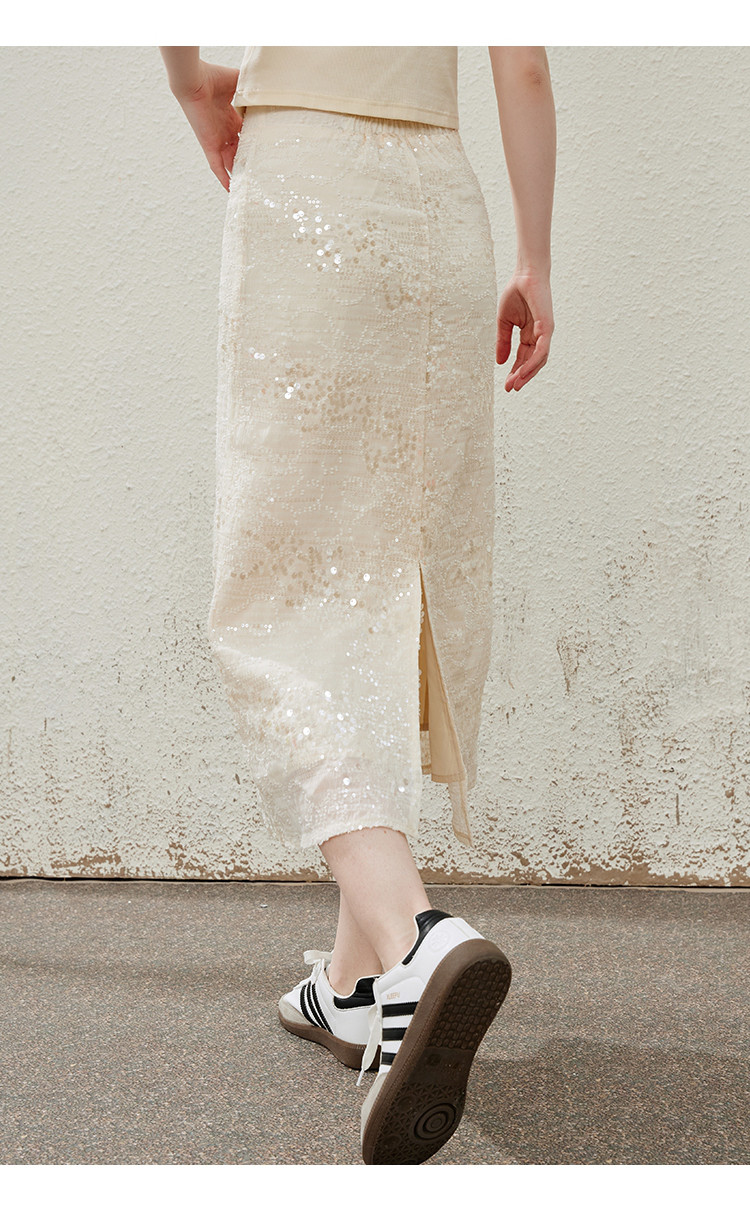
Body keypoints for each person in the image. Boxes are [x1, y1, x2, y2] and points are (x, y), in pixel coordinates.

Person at [159, 45, 555, 1165]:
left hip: (306, 181)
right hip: (442, 203)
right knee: (394, 578)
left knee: (280, 597)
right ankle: (354, 989)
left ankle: (412, 934)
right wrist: (534, 258)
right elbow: (523, 64)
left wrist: (192, 84)